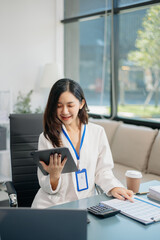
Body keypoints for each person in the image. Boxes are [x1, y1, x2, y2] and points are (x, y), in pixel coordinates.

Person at [32, 78, 133, 208]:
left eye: (70, 105)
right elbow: (44, 183)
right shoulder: (47, 138)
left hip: (86, 202)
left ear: (81, 104)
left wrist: (114, 187)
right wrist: (54, 177)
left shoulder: (97, 132)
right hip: (54, 204)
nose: (64, 111)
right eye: (58, 106)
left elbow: (103, 171)